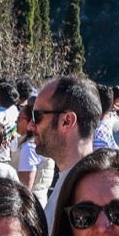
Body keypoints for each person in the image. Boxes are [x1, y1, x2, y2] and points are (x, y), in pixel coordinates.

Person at [31, 76, 104, 224]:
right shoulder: (70, 180)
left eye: (37, 116)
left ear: (67, 121)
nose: (30, 126)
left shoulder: (89, 194)